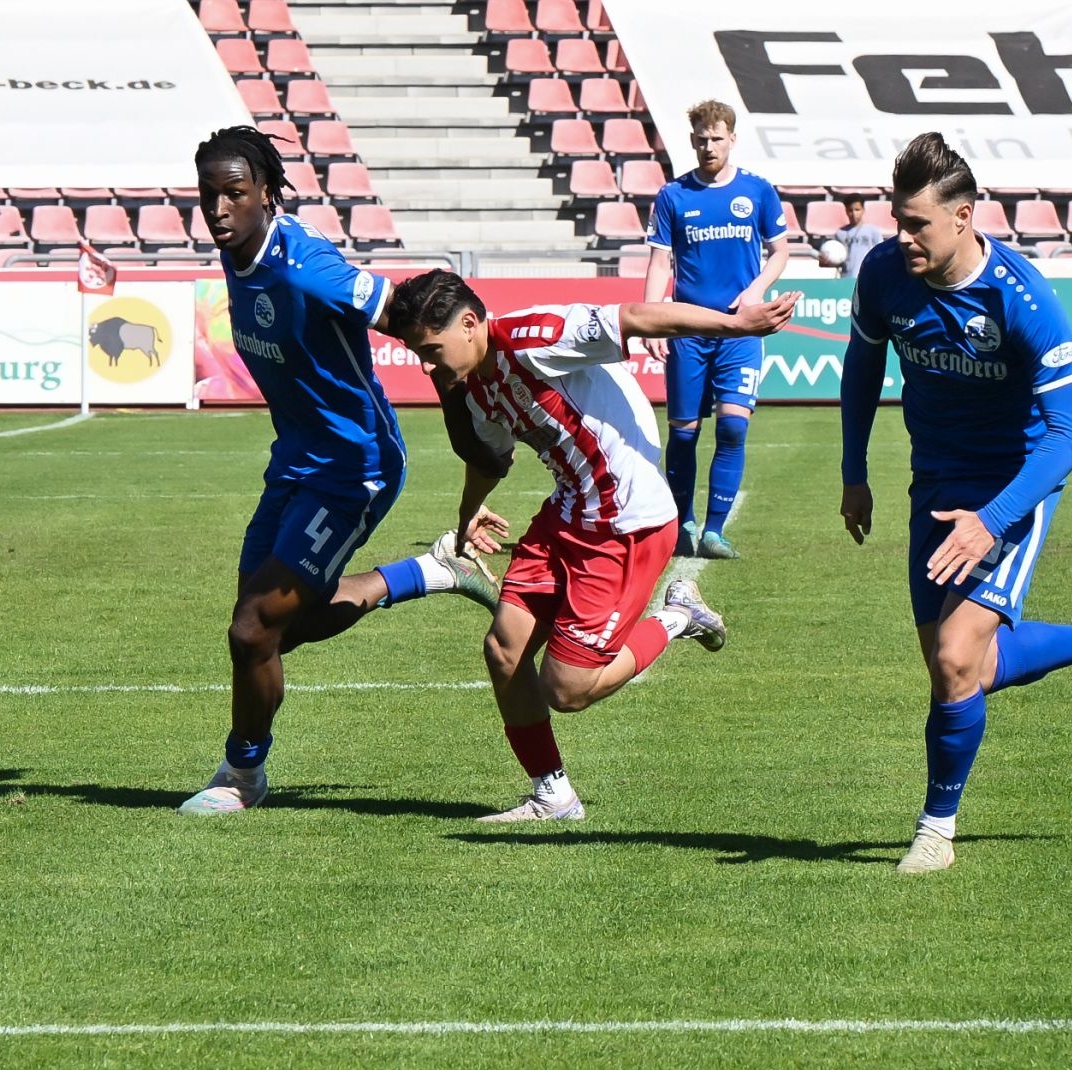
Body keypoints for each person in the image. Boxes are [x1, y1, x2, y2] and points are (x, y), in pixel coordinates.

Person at [840, 132, 1072, 874]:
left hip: (1012, 485)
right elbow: (862, 364)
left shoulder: (1020, 297)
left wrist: (993, 519)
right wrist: (853, 471)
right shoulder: (884, 273)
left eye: (917, 224)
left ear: (963, 217)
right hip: (934, 485)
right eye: (897, 220)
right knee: (963, 667)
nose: (901, 237)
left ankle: (936, 832)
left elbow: (1070, 432)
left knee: (956, 659)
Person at [388, 271, 799, 822]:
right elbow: (492, 461)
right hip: (566, 515)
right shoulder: (479, 390)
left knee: (568, 690)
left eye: (430, 350)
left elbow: (635, 317)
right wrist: (466, 517)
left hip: (627, 525)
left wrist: (737, 324)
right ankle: (553, 796)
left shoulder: (535, 336)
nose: (425, 366)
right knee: (504, 650)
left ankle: (679, 616)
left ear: (468, 324)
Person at [179, 126, 499, 817]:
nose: (219, 209)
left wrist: (471, 388)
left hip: (355, 466)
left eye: (234, 193)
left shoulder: (307, 267)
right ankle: (433, 571)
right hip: (295, 458)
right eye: (208, 196)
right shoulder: (239, 251)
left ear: (267, 192)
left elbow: (405, 311)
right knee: (272, 630)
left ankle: (242, 773)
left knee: (252, 629)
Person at [642, 98, 792, 561]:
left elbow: (780, 252)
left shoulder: (757, 191)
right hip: (688, 329)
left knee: (732, 428)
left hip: (740, 330)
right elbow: (659, 262)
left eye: (717, 138)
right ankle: (683, 523)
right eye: (702, 139)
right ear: (692, 141)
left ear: (732, 138)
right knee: (684, 432)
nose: (709, 147)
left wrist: (756, 290)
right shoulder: (673, 195)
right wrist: (652, 318)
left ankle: (714, 531)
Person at [833, 195, 890, 268]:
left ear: (863, 210)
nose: (854, 214)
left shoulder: (873, 231)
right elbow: (837, 257)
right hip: (847, 274)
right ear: (846, 211)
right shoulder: (840, 232)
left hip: (867, 272)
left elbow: (880, 252)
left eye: (857, 210)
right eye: (850, 210)